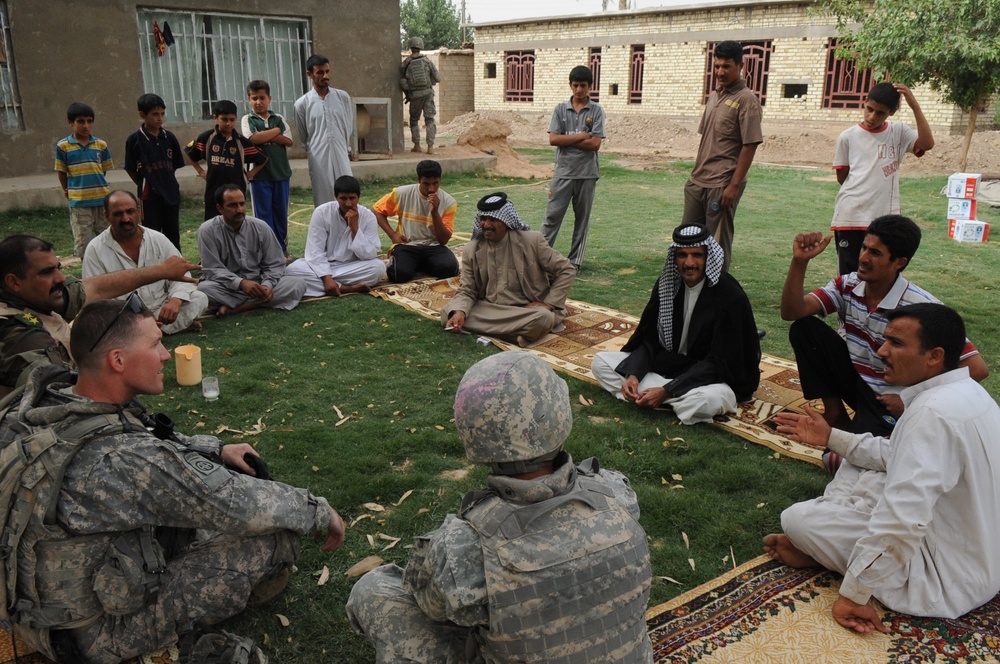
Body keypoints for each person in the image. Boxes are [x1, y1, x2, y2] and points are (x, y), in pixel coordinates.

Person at [0, 298, 345, 662]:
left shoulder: (46, 401)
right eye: (155, 345)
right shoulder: (120, 461)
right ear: (117, 360)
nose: (166, 355)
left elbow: (143, 432)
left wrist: (216, 449)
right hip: (95, 635)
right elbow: (235, 503)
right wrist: (318, 510)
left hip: (39, 611)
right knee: (276, 535)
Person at [346, 351, 653, 663]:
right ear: (559, 414)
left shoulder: (462, 547)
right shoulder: (617, 493)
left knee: (373, 589)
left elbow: (432, 606)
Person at [765, 303, 1000, 632]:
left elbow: (903, 517)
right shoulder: (969, 392)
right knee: (856, 458)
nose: (882, 350)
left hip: (942, 581)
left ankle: (820, 547)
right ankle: (830, 535)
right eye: (885, 340)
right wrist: (830, 435)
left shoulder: (932, 413)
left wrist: (855, 595)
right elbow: (894, 456)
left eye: (896, 344)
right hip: (981, 556)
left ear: (934, 356)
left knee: (797, 519)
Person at [779, 215, 987, 471]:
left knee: (837, 462)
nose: (864, 257)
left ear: (899, 262)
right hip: (858, 382)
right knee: (804, 328)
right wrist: (799, 262)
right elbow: (791, 311)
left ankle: (885, 430)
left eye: (875, 253)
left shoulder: (920, 308)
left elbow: (977, 368)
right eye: (864, 247)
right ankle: (835, 414)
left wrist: (911, 402)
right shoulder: (848, 285)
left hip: (891, 400)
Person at [592, 222, 760, 425]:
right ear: (675, 257)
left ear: (708, 257)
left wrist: (667, 390)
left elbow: (722, 361)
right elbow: (650, 338)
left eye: (697, 255)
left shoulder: (729, 296)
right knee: (600, 361)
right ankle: (663, 399)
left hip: (708, 379)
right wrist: (634, 375)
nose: (689, 263)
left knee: (708, 401)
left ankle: (661, 398)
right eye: (682, 255)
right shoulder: (668, 284)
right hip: (670, 367)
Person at [0, 234, 198, 396]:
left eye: (58, 268)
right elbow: (59, 398)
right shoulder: (16, 334)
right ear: (14, 283)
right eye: (47, 272)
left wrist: (162, 270)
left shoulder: (37, 294)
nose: (60, 278)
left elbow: (95, 288)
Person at [442, 193, 576, 347]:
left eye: (493, 219)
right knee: (449, 313)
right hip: (490, 309)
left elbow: (566, 269)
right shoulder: (471, 250)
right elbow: (467, 289)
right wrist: (460, 312)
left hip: (525, 310)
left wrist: (548, 304)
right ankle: (515, 335)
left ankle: (499, 331)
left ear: (506, 221)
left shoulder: (532, 241)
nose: (486, 225)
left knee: (544, 317)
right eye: (483, 219)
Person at [830, 82, 934, 275]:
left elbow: (927, 144)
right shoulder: (848, 137)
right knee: (850, 275)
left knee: (882, 273)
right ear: (865, 102)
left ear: (892, 112)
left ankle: (876, 307)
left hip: (885, 219)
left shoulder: (899, 132)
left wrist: (915, 106)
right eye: (869, 109)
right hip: (851, 216)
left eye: (880, 113)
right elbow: (842, 177)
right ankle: (848, 307)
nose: (872, 117)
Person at [681, 41, 763, 273]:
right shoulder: (714, 96)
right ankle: (690, 289)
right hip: (698, 181)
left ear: (740, 66)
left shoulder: (747, 100)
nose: (720, 72)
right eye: (717, 66)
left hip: (722, 183)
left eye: (726, 66)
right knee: (687, 239)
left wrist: (733, 185)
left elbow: (750, 145)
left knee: (715, 246)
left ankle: (716, 294)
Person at [82, 190, 208, 334]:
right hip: (124, 316)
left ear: (139, 212)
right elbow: (93, 298)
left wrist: (175, 301)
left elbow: (182, 277)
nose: (125, 219)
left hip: (161, 309)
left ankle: (146, 332)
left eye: (130, 212)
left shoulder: (157, 239)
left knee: (200, 298)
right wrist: (130, 317)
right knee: (101, 320)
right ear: (106, 216)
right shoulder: (95, 249)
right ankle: (162, 328)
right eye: (118, 214)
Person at [196, 184, 307, 316]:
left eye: (242, 204)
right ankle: (256, 302)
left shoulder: (260, 227)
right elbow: (212, 269)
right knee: (204, 289)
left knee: (298, 283)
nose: (239, 210)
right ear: (220, 208)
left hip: (259, 283)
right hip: (228, 287)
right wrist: (241, 283)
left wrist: (267, 286)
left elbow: (275, 263)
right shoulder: (207, 231)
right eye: (232, 205)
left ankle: (237, 308)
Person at [540, 65, 606, 272]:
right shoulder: (560, 109)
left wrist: (566, 140)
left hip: (587, 174)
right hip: (563, 172)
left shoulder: (596, 111)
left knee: (582, 220)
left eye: (583, 86)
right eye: (575, 85)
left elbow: (595, 144)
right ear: (570, 85)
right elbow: (553, 139)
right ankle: (540, 256)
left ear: (590, 87)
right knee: (552, 216)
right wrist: (582, 136)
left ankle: (575, 260)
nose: (578, 90)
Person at [285, 176, 385, 296]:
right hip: (322, 266)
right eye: (343, 198)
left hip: (352, 266)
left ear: (359, 197)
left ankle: (330, 285)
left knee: (378, 268)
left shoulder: (368, 217)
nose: (348, 203)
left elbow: (370, 254)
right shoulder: (321, 212)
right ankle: (344, 288)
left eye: (352, 198)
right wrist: (326, 278)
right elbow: (314, 251)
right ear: (335, 197)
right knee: (292, 271)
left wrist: (354, 228)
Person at [372, 159, 459, 283]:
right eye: (426, 184)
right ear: (418, 180)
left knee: (450, 269)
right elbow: (376, 210)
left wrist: (435, 213)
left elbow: (443, 240)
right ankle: (414, 264)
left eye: (435, 183)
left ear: (440, 180)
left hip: (434, 246)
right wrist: (392, 234)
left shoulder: (449, 202)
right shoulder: (402, 193)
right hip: (408, 244)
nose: (431, 189)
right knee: (397, 274)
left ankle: (416, 264)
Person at [184, 99, 267, 221]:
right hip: (213, 192)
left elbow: (263, 159)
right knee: (213, 225)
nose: (228, 123)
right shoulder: (207, 138)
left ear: (236, 119)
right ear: (216, 118)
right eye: (224, 119)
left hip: (236, 194)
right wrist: (200, 171)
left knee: (235, 224)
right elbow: (189, 153)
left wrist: (248, 175)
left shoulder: (241, 141)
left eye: (232, 120)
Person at [124, 93, 187, 250]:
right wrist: (145, 181)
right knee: (151, 233)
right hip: (149, 196)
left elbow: (175, 164)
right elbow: (131, 168)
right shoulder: (134, 140)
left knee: (173, 233)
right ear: (142, 115)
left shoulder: (169, 138)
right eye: (154, 114)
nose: (159, 118)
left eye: (162, 114)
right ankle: (155, 268)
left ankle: (176, 266)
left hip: (171, 193)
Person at [241, 80, 294, 257]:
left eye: (262, 98)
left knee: (280, 214)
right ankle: (266, 252)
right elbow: (252, 139)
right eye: (254, 98)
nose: (258, 102)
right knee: (263, 217)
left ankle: (281, 250)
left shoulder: (278, 118)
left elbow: (289, 141)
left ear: (269, 98)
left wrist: (267, 135)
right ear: (249, 99)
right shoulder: (248, 119)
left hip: (281, 173)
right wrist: (275, 132)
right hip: (259, 176)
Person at [294, 54, 354, 207]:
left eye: (327, 71)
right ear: (310, 74)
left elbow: (348, 125)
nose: (325, 76)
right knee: (323, 197)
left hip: (341, 151)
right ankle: (326, 229)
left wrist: (342, 145)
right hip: (318, 155)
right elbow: (304, 135)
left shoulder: (343, 97)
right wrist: (316, 147)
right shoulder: (302, 104)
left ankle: (349, 227)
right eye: (320, 72)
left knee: (347, 192)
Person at [55, 102, 113, 258]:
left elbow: (103, 169)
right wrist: (67, 190)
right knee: (84, 241)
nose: (86, 125)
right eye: (80, 121)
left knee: (107, 238)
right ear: (70, 122)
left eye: (89, 121)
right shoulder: (63, 146)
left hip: (101, 200)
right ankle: (89, 274)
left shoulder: (101, 145)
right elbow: (61, 171)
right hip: (80, 202)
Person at [400, 36, 440, 154]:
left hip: (414, 95)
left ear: (411, 47)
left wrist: (408, 93)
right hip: (428, 93)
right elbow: (438, 78)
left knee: (413, 120)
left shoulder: (406, 63)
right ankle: (430, 147)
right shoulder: (427, 61)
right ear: (421, 47)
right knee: (430, 120)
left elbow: (402, 81)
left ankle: (417, 145)